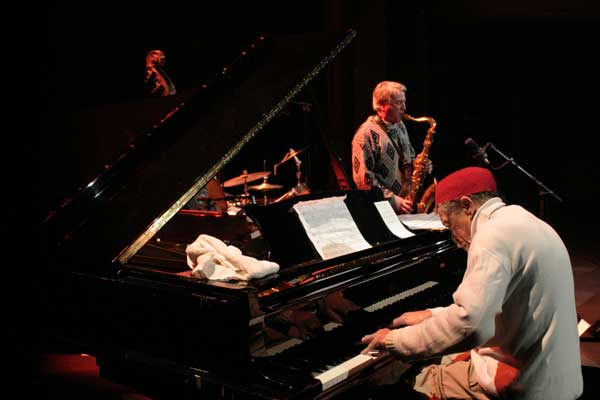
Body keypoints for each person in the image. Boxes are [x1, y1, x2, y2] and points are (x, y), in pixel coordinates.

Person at [360, 166, 583, 399]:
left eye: (449, 225)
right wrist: (432, 314)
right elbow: (494, 311)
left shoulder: (490, 237)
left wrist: (394, 340)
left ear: (467, 206)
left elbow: (470, 327)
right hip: (559, 379)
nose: (454, 240)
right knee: (443, 355)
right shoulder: (525, 221)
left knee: (410, 381)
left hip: (523, 385)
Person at [351, 80, 430, 214]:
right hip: (382, 212)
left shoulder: (400, 126)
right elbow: (364, 181)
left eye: (404, 102)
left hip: (406, 205)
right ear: (382, 106)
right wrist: (392, 200)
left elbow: (409, 159)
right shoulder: (365, 134)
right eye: (399, 103)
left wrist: (420, 166)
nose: (404, 108)